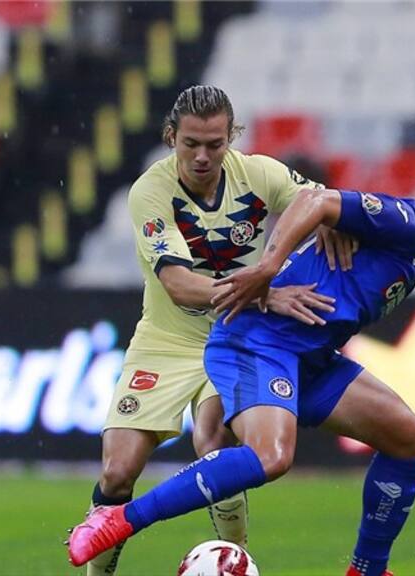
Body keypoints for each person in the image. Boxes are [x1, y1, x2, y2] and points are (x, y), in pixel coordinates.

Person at [66, 172, 415, 576]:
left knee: (410, 438)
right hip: (258, 340)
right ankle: (120, 519)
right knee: (272, 456)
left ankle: (368, 570)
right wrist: (268, 268)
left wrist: (335, 222)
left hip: (309, 356)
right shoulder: (408, 222)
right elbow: (314, 201)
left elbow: (328, 210)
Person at [81, 85, 355, 575]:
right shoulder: (151, 191)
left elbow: (321, 200)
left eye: (215, 144)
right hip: (166, 340)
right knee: (117, 471)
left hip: (234, 338)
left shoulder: (259, 174)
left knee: (214, 444)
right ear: (171, 137)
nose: (203, 156)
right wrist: (264, 294)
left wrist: (332, 219)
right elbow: (179, 285)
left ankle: (237, 559)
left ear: (232, 137)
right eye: (191, 144)